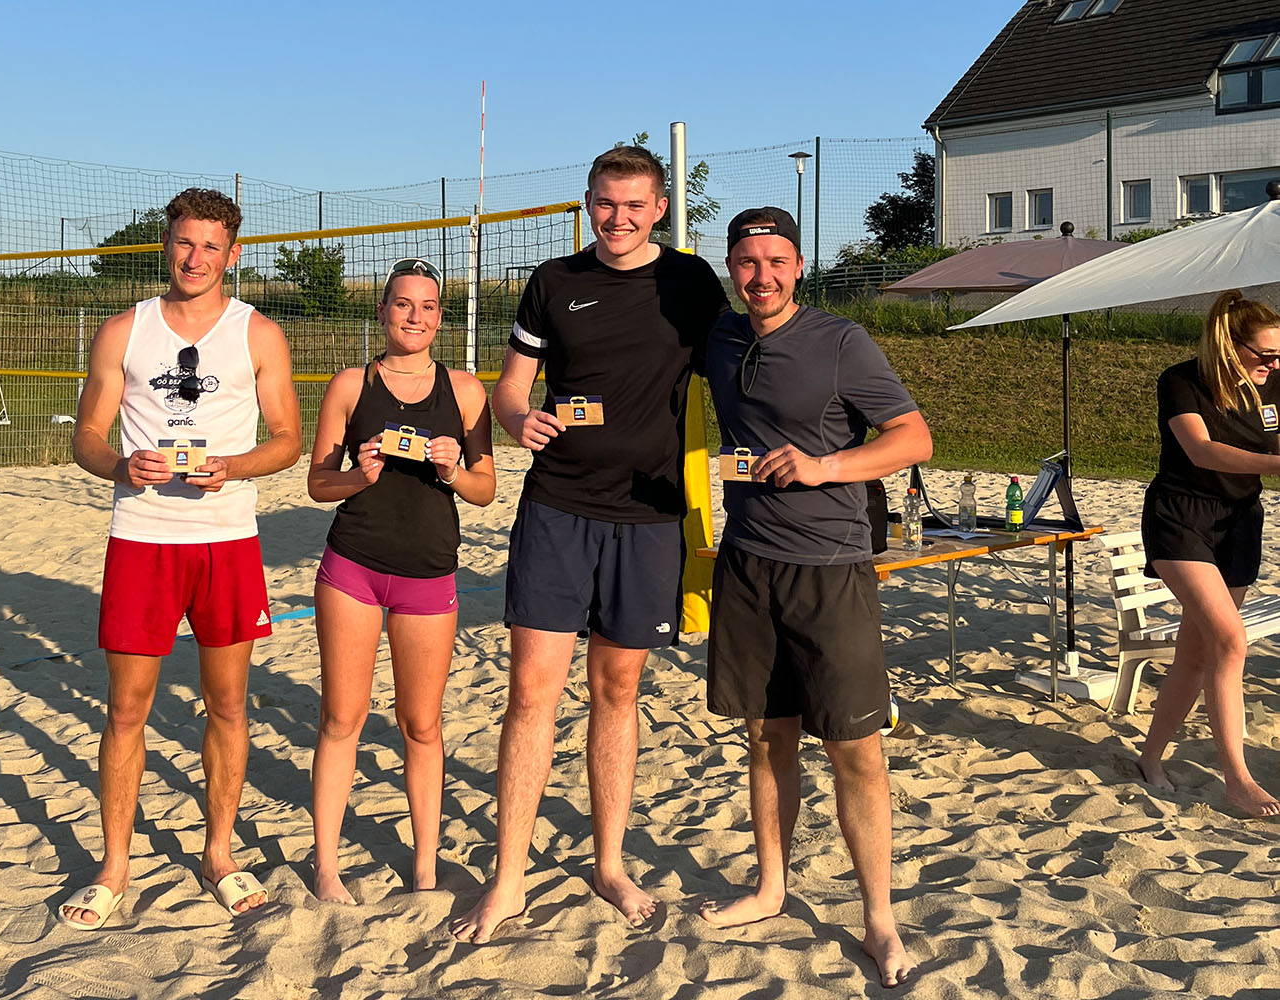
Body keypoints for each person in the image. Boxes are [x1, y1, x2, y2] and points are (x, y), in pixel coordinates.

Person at [450, 146, 729, 942]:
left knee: (617, 693)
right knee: (531, 693)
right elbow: (510, 389)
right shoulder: (554, 281)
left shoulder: (690, 282)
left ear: (662, 207)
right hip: (559, 508)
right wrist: (516, 419)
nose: (620, 219)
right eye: (606, 204)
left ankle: (608, 862)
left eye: (636, 205)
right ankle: (508, 880)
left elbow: (740, 368)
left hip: (648, 518)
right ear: (587, 202)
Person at [699, 207, 930, 987]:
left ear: (800, 266)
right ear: (730, 266)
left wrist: (826, 466)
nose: (760, 276)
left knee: (855, 751)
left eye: (776, 261)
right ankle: (770, 887)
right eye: (746, 262)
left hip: (830, 570)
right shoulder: (722, 338)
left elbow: (913, 439)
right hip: (747, 563)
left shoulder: (841, 343)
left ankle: (878, 919)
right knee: (767, 738)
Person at [60, 187, 302, 929]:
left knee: (227, 704)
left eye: (210, 246)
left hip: (225, 539)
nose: (195, 258)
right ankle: (113, 865)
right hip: (142, 538)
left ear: (234, 254)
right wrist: (119, 465)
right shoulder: (123, 331)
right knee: (127, 707)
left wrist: (234, 465)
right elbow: (86, 436)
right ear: (166, 244)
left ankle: (219, 853)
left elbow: (288, 439)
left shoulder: (257, 333)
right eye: (183, 242)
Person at [306, 258, 495, 903]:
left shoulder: (467, 393)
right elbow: (316, 485)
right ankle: (327, 867)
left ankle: (424, 866)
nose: (415, 317)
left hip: (427, 576)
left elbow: (486, 491)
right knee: (342, 718)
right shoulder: (350, 386)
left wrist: (452, 472)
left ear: (440, 316)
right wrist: (358, 476)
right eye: (403, 304)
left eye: (428, 306)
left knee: (422, 725)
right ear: (383, 311)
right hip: (353, 567)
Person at [1136, 291, 1280, 818]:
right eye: (1265, 355)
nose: (1274, 365)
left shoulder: (1275, 384)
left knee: (1197, 655)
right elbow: (1202, 450)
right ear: (1227, 344)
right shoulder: (1182, 380)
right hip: (1181, 517)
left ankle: (1149, 757)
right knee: (1229, 640)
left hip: (1239, 522)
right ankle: (1237, 780)